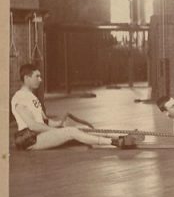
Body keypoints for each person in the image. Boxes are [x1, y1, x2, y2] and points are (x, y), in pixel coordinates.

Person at [10, 63, 139, 150]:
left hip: (40, 134)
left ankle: (120, 137)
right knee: (70, 132)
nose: (40, 79)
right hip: (30, 140)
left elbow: (44, 121)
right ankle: (114, 143)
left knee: (79, 128)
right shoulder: (19, 98)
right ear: (26, 78)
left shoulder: (32, 97)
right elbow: (32, 125)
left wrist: (58, 123)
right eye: (37, 76)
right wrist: (57, 131)